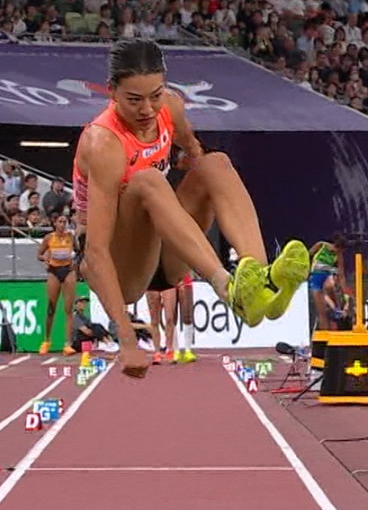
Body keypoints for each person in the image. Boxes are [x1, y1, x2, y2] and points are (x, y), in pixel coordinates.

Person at [71, 39, 309, 378]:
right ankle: (226, 286)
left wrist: (198, 169)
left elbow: (193, 149)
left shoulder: (170, 109)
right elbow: (96, 251)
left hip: (164, 246)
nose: (147, 110)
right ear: (111, 91)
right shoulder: (104, 142)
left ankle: (258, 281)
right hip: (119, 267)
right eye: (134, 100)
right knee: (147, 181)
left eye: (155, 96)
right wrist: (126, 339)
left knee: (216, 163)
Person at [37, 213, 78, 355]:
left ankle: (68, 344)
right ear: (54, 223)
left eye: (64, 222)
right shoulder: (49, 238)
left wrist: (74, 262)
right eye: (60, 221)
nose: (62, 224)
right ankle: (46, 341)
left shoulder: (70, 237)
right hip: (54, 271)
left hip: (68, 270)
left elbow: (78, 252)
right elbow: (39, 255)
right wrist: (46, 259)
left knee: (68, 309)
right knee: (51, 308)